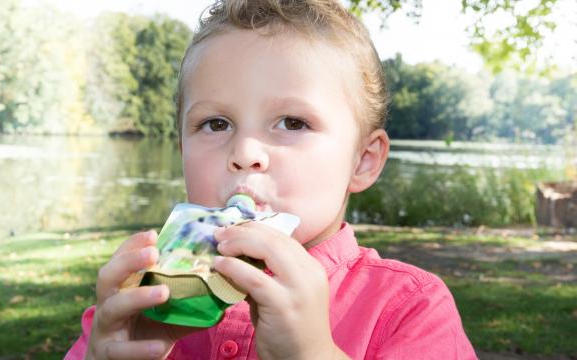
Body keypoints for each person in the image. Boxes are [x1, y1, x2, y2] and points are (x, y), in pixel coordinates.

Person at [66, 0, 477, 358]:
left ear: (363, 161)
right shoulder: (138, 302)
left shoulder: (409, 308)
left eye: (292, 122)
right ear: (182, 150)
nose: (245, 152)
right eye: (216, 123)